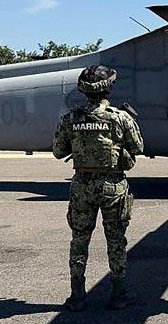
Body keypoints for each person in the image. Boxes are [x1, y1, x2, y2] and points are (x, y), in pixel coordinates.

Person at [52, 65, 144, 311]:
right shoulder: (120, 117)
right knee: (116, 240)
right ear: (108, 89)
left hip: (82, 186)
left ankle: (77, 296)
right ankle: (119, 294)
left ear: (83, 90)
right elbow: (138, 147)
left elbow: (58, 152)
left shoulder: (71, 119)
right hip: (113, 186)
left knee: (79, 239)